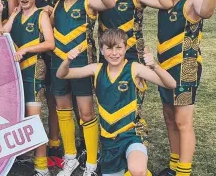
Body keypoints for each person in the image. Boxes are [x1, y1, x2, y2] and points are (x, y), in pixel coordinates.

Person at [57, 28, 177, 176]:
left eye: (119, 47)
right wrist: (67, 60)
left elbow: (171, 84)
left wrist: (155, 66)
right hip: (109, 139)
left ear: (126, 48)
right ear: (101, 50)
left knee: (137, 170)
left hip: (132, 133)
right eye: (109, 48)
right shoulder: (96, 69)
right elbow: (62, 74)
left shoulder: (134, 69)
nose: (114, 53)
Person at [50, 0, 116, 176]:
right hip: (58, 63)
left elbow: (109, 3)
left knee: (86, 113)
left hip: (82, 64)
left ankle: (91, 161)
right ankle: (70, 157)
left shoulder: (87, 2)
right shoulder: (57, 6)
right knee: (63, 110)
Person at [155, 0, 216, 176]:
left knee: (183, 121)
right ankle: (173, 164)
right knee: (169, 117)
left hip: (186, 68)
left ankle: (183, 171)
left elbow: (207, 11)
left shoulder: (193, 0)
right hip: (163, 68)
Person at [0, 0, 55, 176]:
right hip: (16, 74)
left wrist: (26, 50)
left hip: (33, 73)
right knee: (17, 118)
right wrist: (0, 15)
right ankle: (24, 158)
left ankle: (41, 167)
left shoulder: (41, 15)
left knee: (34, 120)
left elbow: (50, 43)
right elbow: (1, 33)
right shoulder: (17, 14)